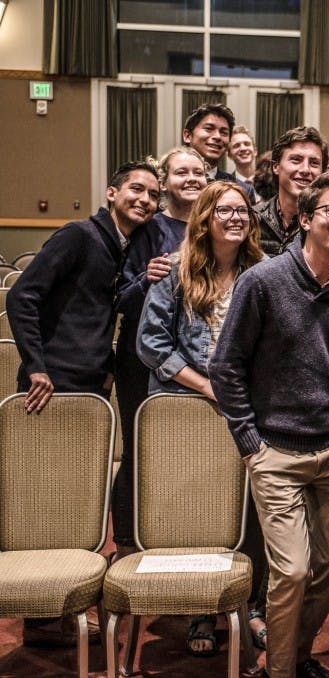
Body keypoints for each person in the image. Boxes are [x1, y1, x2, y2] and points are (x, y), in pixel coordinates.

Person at [210, 172, 329, 678]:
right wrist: (249, 439)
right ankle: (279, 671)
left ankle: (296, 657)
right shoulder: (263, 280)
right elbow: (225, 366)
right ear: (304, 219)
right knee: (293, 570)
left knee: (327, 572)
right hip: (275, 451)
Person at [6, 160, 159, 647]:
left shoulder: (123, 246)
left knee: (76, 499)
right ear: (112, 192)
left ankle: (62, 605)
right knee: (45, 502)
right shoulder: (78, 236)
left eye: (152, 194)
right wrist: (36, 365)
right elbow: (23, 298)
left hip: (90, 383)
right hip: (49, 385)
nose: (145, 199)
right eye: (136, 189)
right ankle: (43, 617)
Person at [135, 181, 269, 656]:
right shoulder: (176, 269)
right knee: (197, 507)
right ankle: (200, 611)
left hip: (247, 408)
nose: (236, 218)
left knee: (252, 509)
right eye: (225, 210)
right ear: (206, 217)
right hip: (188, 405)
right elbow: (151, 344)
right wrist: (207, 385)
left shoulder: (264, 271)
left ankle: (252, 606)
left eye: (243, 211)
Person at [112, 147, 208, 563]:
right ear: (165, 182)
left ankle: (186, 533)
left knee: (191, 455)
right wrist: (145, 281)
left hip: (196, 362)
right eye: (181, 172)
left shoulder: (212, 225)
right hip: (142, 356)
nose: (191, 178)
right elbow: (119, 296)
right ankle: (129, 545)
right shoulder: (149, 228)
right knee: (141, 449)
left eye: (198, 171)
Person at [255, 126, 329, 257]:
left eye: (314, 163)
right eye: (296, 160)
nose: (305, 170)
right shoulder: (252, 219)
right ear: (276, 167)